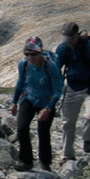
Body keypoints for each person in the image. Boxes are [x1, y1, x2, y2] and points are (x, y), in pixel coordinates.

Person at [55, 21, 90, 162]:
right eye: (66, 38)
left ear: (77, 35)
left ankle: (86, 137)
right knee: (67, 122)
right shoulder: (63, 48)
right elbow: (56, 67)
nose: (69, 41)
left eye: (71, 38)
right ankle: (68, 155)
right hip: (72, 86)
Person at [11, 36, 63, 171]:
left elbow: (58, 91)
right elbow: (20, 83)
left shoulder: (50, 66)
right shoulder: (23, 64)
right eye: (27, 54)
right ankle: (26, 161)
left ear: (40, 52)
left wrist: (48, 108)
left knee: (43, 131)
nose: (30, 57)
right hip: (28, 99)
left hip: (46, 101)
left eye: (33, 54)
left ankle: (45, 162)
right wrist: (14, 102)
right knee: (22, 128)